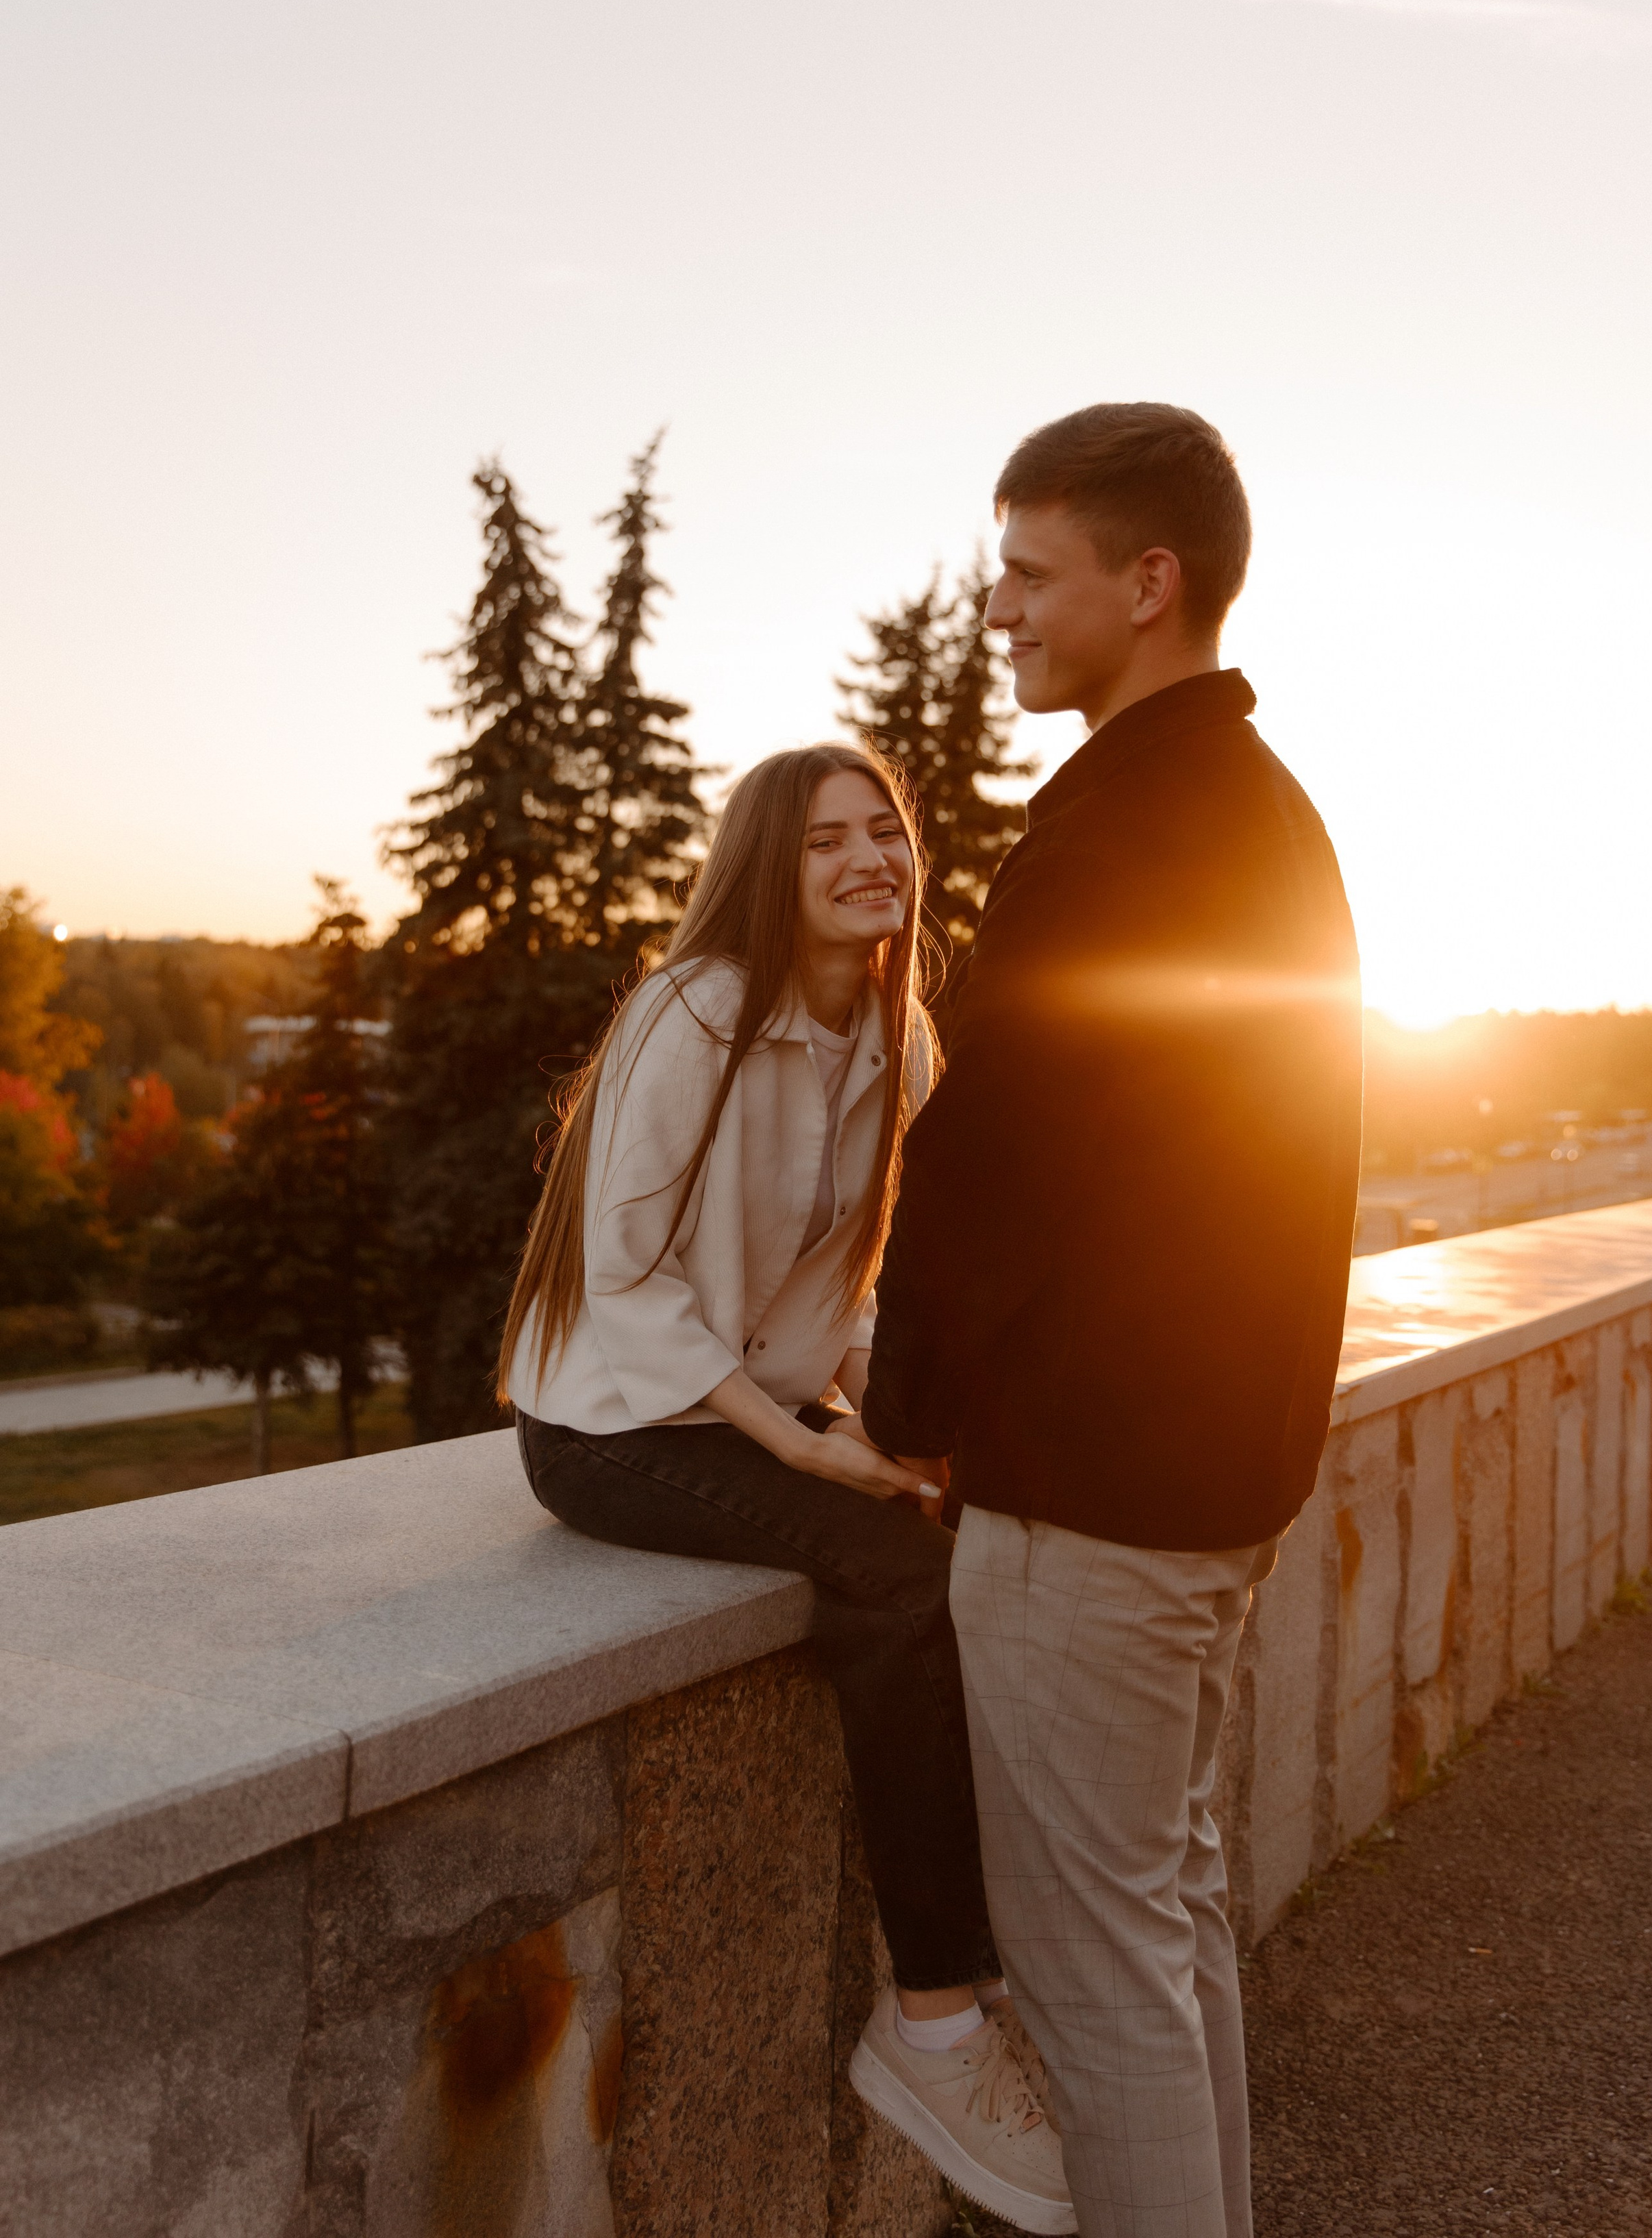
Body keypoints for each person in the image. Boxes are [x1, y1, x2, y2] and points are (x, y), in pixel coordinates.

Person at [856, 404, 1364, 2238]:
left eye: (1027, 572)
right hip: (1214, 1478)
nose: (997, 609)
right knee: (1169, 1928)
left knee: (1099, 1980)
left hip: (1096, 1503)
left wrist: (902, 1405)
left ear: (1149, 586)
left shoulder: (1125, 821)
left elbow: (992, 1154)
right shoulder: (1264, 813)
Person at [500, 741, 1075, 2237]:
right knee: (894, 1577)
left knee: (974, 1538)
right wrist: (800, 1443)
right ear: (770, 866)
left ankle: (1008, 1966)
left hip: (765, 1401)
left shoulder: (900, 1032)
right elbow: (621, 1282)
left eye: (882, 829)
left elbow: (863, 1277)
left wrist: (897, 1426)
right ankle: (936, 2025)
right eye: (824, 841)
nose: (865, 857)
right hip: (620, 1422)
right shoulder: (692, 1012)